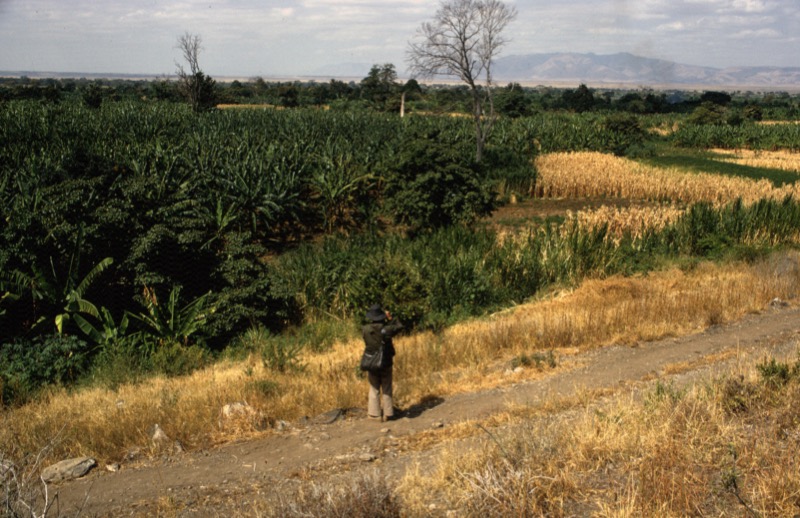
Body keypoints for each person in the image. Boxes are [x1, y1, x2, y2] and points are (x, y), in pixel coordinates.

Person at [362, 303, 403, 422]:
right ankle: (388, 413)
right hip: (385, 361)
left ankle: (375, 414)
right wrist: (391, 318)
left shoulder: (365, 329)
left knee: (374, 386)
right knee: (386, 386)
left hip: (371, 361)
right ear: (381, 316)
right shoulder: (386, 329)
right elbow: (400, 326)